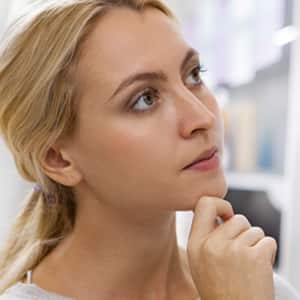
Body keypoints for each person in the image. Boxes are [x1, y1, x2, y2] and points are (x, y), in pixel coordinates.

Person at [0, 0, 299, 299]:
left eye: (194, 74)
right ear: (58, 158)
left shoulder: (256, 288)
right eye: (144, 99)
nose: (204, 118)